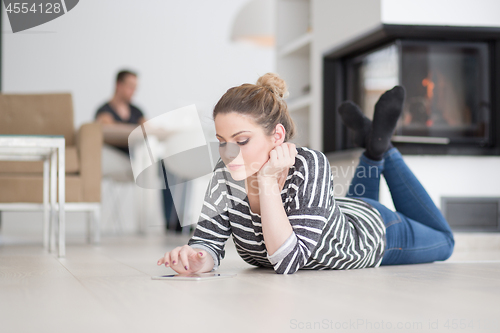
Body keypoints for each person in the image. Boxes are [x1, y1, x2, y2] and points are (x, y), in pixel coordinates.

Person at [156, 73, 455, 274]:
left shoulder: (309, 164)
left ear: (277, 136)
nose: (228, 153)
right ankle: (372, 145)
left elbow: (288, 262)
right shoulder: (225, 175)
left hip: (375, 233)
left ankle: (381, 149)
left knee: (445, 242)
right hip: (337, 216)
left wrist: (266, 181)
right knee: (342, 217)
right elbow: (208, 242)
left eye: (242, 140)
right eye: (222, 142)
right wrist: (194, 259)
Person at [95, 69, 181, 232]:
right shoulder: (105, 110)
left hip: (142, 159)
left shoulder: (136, 111)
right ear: (118, 85)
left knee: (170, 167)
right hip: (121, 161)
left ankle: (172, 222)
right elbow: (106, 127)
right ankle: (146, 226)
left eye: (135, 87)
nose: (133, 91)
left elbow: (147, 127)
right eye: (130, 86)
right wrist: (138, 129)